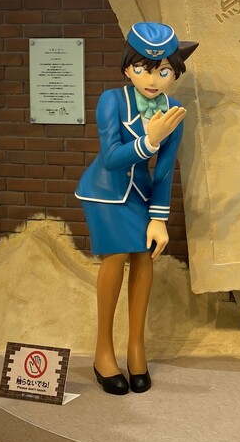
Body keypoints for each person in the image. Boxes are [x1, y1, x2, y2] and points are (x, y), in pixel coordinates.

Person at [75, 22, 197, 395]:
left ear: (174, 73)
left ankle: (136, 349)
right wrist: (149, 140)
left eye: (163, 71)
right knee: (116, 256)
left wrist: (158, 218)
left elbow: (165, 169)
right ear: (128, 68)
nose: (152, 79)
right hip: (104, 191)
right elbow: (112, 158)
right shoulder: (111, 101)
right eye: (143, 68)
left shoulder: (173, 110)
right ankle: (103, 352)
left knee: (144, 256)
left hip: (140, 194)